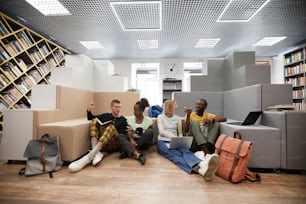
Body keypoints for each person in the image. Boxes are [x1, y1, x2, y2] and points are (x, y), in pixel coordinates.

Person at [157, 100, 219, 181]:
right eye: (175, 104)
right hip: (163, 141)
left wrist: (180, 140)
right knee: (175, 155)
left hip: (176, 140)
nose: (177, 106)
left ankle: (202, 165)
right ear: (170, 106)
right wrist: (174, 137)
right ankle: (198, 169)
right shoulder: (160, 117)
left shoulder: (177, 118)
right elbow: (161, 131)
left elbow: (180, 133)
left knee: (186, 151)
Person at [68, 99, 127, 172]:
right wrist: (89, 110)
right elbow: (90, 117)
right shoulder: (106, 115)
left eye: (119, 107)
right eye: (116, 107)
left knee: (111, 127)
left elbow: (122, 136)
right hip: (102, 143)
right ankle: (95, 153)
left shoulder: (123, 119)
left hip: (114, 144)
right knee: (94, 121)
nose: (118, 109)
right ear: (111, 107)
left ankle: (90, 156)